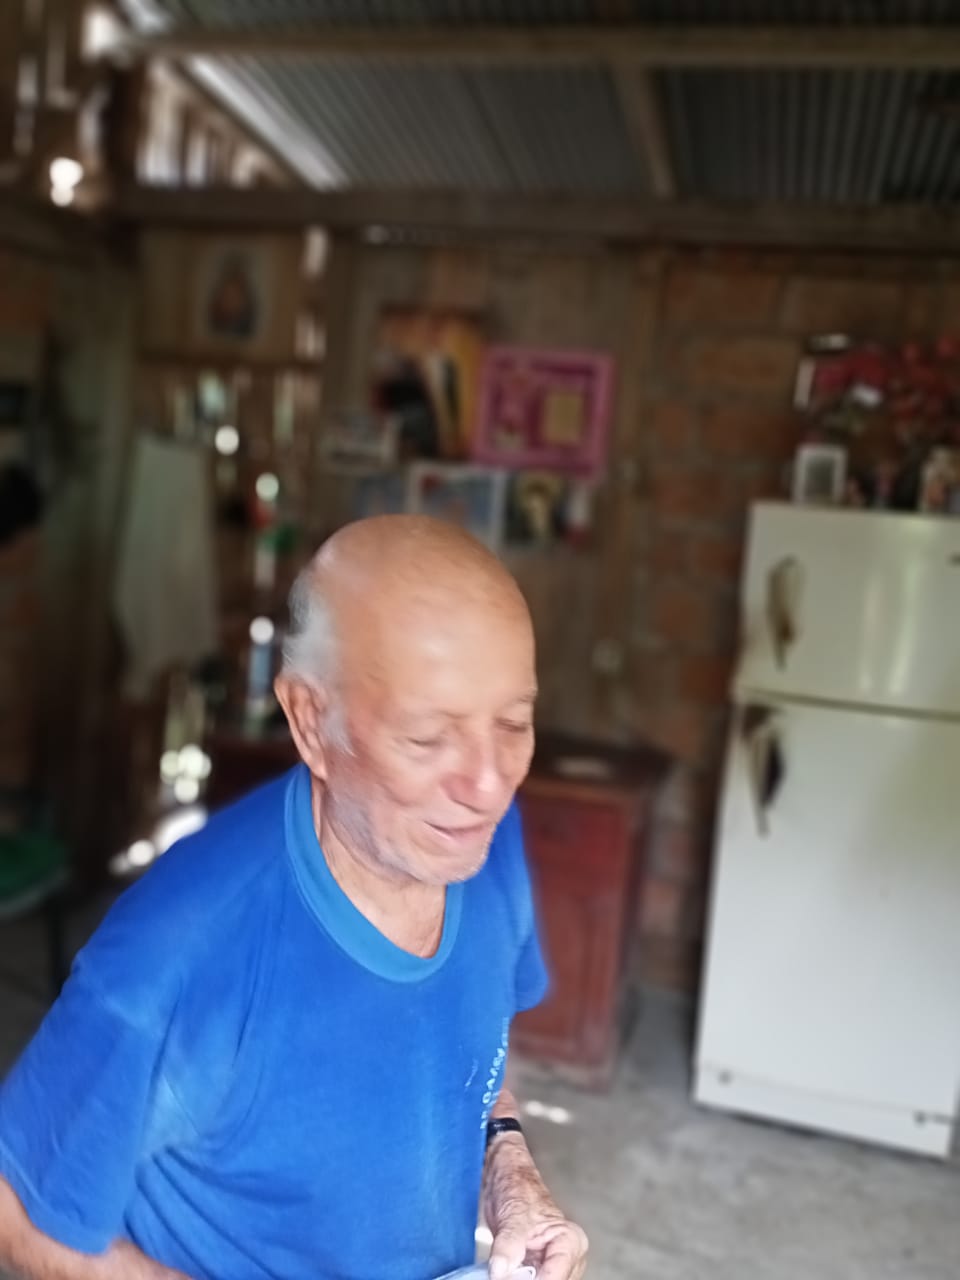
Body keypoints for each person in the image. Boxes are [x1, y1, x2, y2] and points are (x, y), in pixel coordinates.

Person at [0, 515, 588, 1280]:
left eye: (513, 724)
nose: (486, 783)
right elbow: (13, 1202)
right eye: (427, 738)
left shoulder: (479, 843)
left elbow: (468, 1059)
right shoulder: (176, 954)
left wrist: (511, 1172)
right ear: (312, 720)